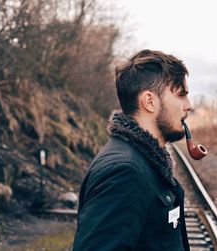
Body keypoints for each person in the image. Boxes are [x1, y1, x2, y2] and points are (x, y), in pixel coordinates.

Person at [72, 49, 192, 251]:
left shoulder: (144, 162)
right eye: (181, 95)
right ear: (149, 101)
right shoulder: (124, 172)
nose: (188, 106)